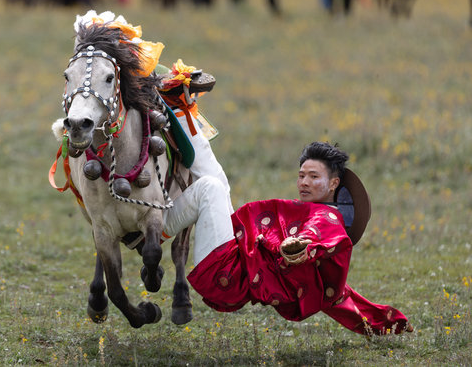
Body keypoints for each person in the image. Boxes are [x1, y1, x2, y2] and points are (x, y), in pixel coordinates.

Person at [162, 141, 413, 335]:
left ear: (334, 183)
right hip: (234, 253)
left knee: (210, 187)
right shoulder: (307, 210)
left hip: (226, 273)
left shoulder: (329, 219)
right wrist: (386, 323)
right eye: (302, 175)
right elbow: (340, 297)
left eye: (314, 177)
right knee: (216, 178)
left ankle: (149, 224)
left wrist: (299, 244)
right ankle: (182, 103)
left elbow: (316, 233)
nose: (304, 182)